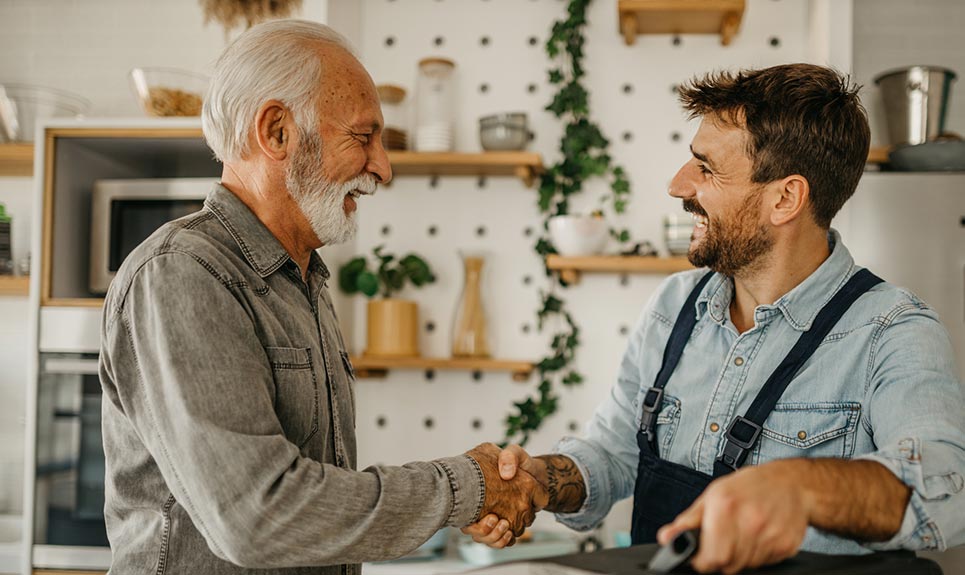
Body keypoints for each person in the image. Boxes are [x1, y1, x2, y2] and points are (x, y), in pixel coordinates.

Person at [464, 63, 965, 574]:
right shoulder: (674, 305)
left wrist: (800, 487)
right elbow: (615, 453)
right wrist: (539, 481)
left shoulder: (894, 332)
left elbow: (947, 489)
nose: (677, 185)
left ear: (785, 198)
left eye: (706, 168)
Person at [98, 20, 544, 574]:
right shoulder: (183, 275)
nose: (383, 166)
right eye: (363, 137)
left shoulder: (304, 279)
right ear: (277, 131)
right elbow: (255, 516)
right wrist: (463, 489)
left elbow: (312, 493)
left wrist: (455, 501)